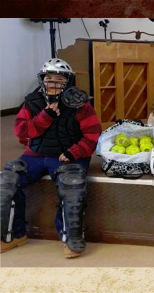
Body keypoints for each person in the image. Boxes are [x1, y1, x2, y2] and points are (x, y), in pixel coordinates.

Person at [1, 58, 102, 258]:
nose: (54, 83)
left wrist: (74, 152)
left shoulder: (80, 105)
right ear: (42, 81)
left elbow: (93, 135)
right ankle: (13, 235)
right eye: (49, 79)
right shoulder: (32, 103)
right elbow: (22, 133)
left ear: (68, 82)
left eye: (59, 79)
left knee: (72, 184)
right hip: (35, 156)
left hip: (68, 156)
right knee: (7, 179)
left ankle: (70, 239)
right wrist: (45, 116)